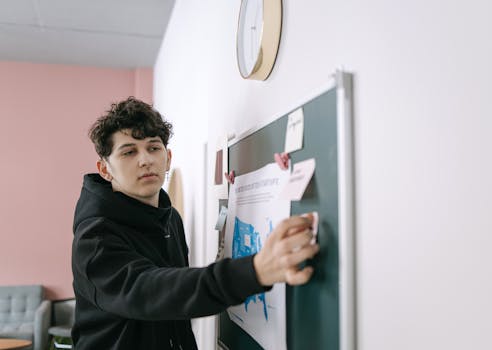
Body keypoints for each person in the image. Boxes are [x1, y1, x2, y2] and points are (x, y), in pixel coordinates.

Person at [71, 97, 320, 350]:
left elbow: (177, 316)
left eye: (153, 148)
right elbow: (152, 293)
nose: (145, 160)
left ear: (167, 158)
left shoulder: (170, 219)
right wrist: (254, 271)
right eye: (129, 152)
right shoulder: (95, 239)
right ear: (104, 169)